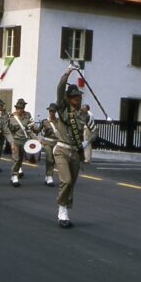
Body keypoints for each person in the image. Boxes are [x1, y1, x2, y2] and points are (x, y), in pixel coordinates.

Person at [54, 67, 98, 228]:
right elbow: (60, 88)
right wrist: (67, 73)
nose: (77, 99)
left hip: (75, 153)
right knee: (65, 181)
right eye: (74, 97)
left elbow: (95, 131)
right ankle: (62, 211)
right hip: (61, 150)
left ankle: (65, 209)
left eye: (78, 97)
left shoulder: (85, 115)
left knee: (71, 184)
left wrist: (87, 142)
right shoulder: (63, 109)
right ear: (68, 98)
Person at [8, 98, 36, 187]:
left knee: (20, 160)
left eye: (22, 108)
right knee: (16, 159)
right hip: (15, 141)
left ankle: (15, 173)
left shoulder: (27, 116)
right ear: (16, 108)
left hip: (24, 141)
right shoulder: (11, 117)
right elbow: (8, 131)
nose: (21, 110)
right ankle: (14, 176)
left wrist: (36, 138)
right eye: (19, 108)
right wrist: (11, 142)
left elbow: (29, 129)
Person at [39, 103, 59, 187]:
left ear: (55, 112)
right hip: (47, 142)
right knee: (49, 159)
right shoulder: (45, 121)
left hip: (56, 143)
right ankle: (50, 176)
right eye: (50, 111)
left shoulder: (59, 121)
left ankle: (47, 176)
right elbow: (38, 130)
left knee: (53, 160)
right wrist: (40, 139)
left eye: (53, 111)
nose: (51, 112)